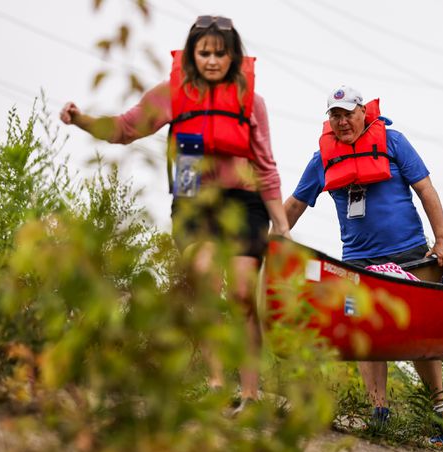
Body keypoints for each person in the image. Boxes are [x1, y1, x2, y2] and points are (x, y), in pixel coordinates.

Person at [60, 15, 290, 410]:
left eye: (221, 53)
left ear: (234, 56)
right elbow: (123, 129)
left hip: (245, 203)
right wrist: (80, 119)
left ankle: (250, 394)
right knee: (201, 280)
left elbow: (266, 167)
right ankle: (217, 384)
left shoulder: (252, 103)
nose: (213, 61)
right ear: (192, 54)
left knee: (240, 295)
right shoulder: (172, 94)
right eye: (204, 53)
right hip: (194, 202)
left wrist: (281, 224)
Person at [284, 85, 443, 445]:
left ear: (363, 112)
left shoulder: (393, 142)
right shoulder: (322, 158)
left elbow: (426, 189)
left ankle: (440, 413)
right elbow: (296, 205)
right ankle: (379, 412)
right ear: (328, 120)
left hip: (410, 255)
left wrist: (442, 239)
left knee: (420, 334)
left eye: (348, 113)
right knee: (366, 334)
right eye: (335, 115)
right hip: (358, 263)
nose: (342, 121)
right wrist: (274, 238)